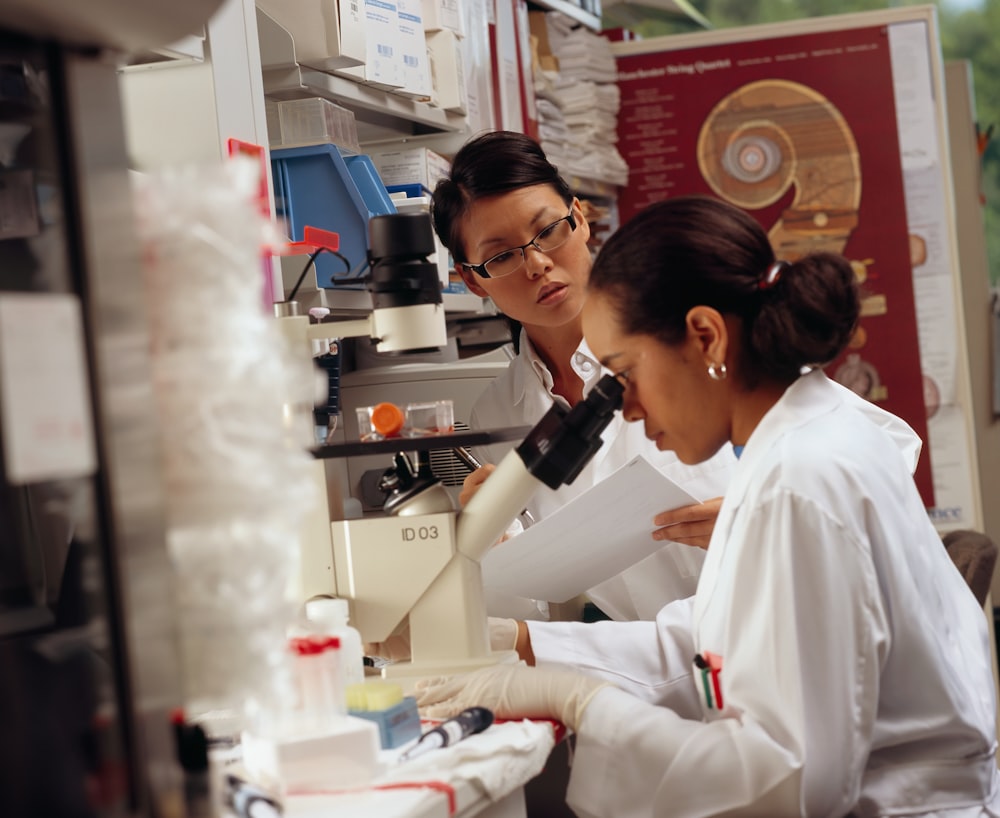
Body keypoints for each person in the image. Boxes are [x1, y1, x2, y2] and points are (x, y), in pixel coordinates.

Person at [415, 195, 1000, 816]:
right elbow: (719, 645)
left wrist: (581, 702)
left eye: (624, 373)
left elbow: (790, 782)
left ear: (706, 336)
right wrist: (527, 646)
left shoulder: (798, 481)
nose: (629, 410)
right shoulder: (800, 440)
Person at [431, 131, 737, 621]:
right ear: (471, 279)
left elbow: (872, 447)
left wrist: (762, 519)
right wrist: (492, 537)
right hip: (628, 667)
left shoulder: (696, 328)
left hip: (754, 627)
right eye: (501, 256)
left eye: (549, 230)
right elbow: (539, 597)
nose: (537, 264)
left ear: (579, 218)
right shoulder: (493, 413)